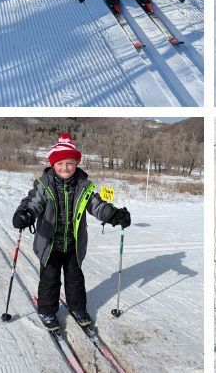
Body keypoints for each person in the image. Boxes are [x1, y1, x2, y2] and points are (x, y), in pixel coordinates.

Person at [12, 133, 131, 331]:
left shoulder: (83, 186)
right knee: (49, 279)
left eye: (69, 163)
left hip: (73, 244)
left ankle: (77, 308)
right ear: (53, 164)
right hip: (49, 244)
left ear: (76, 164)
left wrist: (114, 215)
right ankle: (47, 310)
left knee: (75, 279)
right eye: (60, 163)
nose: (65, 167)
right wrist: (25, 214)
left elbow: (97, 206)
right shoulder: (44, 185)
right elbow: (33, 202)